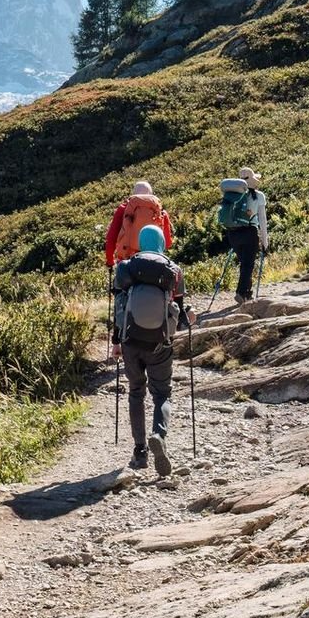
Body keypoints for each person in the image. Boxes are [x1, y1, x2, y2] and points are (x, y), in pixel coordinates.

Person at [110, 223, 191, 477]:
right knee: (162, 394)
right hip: (159, 342)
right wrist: (189, 321)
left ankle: (140, 451)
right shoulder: (173, 270)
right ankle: (159, 434)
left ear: (140, 243)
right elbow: (180, 313)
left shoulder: (126, 268)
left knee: (136, 392)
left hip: (130, 340)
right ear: (162, 242)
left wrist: (116, 341)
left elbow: (119, 306)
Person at [217, 168, 270, 301]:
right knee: (248, 264)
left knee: (244, 263)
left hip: (233, 233)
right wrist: (265, 241)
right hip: (249, 232)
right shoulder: (259, 196)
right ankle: (241, 292)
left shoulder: (234, 195)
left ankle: (247, 292)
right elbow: (262, 220)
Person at [103, 180, 173, 269]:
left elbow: (111, 238)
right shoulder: (160, 212)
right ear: (151, 194)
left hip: (127, 261)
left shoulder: (123, 209)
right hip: (153, 261)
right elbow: (167, 243)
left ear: (134, 194)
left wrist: (110, 261)